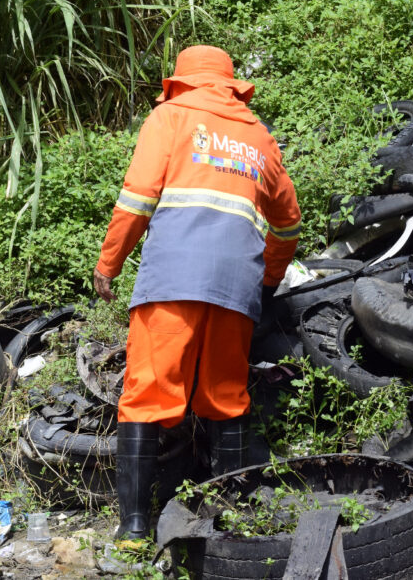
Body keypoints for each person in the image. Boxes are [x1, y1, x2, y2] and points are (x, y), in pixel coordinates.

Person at [93, 45, 301, 540]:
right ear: (231, 84)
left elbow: (137, 198)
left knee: (146, 397)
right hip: (237, 287)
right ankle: (227, 517)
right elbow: (288, 223)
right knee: (224, 398)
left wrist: (109, 263)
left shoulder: (170, 118)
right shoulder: (258, 137)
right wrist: (268, 280)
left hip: (173, 281)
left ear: (181, 81)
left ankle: (135, 527)